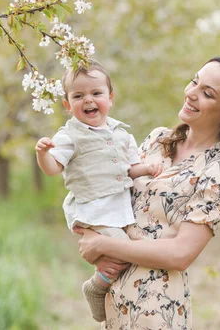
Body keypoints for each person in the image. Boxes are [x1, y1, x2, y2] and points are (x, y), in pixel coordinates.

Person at [74, 57, 220, 329]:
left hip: (156, 306)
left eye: (207, 93)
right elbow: (110, 189)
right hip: (115, 297)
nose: (191, 92)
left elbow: (180, 254)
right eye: (194, 81)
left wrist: (104, 245)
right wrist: (91, 235)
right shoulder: (159, 140)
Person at [35, 59, 163, 322]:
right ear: (68, 105)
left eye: (96, 93)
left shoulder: (121, 134)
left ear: (110, 98)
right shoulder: (69, 136)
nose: (88, 100)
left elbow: (131, 168)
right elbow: (52, 168)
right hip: (94, 209)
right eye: (78, 96)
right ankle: (97, 286)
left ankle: (132, 298)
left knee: (142, 248)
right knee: (127, 251)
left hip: (120, 207)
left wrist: (148, 168)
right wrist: (43, 155)